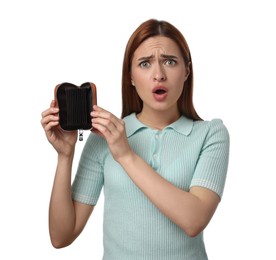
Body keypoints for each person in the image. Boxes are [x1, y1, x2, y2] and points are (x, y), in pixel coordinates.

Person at [41, 19, 230, 260]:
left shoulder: (211, 134)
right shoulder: (104, 137)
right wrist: (65, 156)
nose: (159, 75)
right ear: (130, 76)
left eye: (170, 62)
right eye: (145, 64)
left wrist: (125, 155)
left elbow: (194, 220)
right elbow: (61, 236)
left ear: (186, 71)